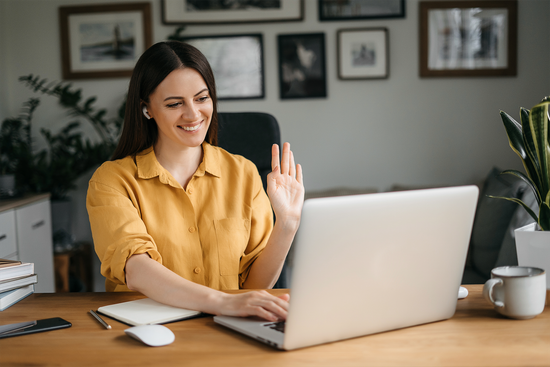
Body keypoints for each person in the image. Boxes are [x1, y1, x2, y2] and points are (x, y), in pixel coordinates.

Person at [86, 41, 304, 322]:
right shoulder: (112, 180)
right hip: (145, 332)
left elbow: (254, 288)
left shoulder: (244, 173)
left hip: (228, 329)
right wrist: (222, 301)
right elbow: (136, 268)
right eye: (175, 103)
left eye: (202, 98)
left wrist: (287, 224)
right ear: (146, 109)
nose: (192, 114)